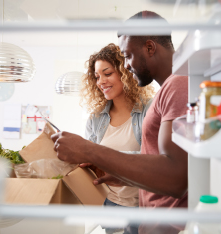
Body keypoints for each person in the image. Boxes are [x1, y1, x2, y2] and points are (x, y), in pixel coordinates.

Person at [51, 11, 188, 234]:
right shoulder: (170, 88)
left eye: (127, 56)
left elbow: (175, 178)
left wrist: (88, 150)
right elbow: (157, 162)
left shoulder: (178, 85)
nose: (126, 65)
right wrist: (121, 173)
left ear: (150, 48)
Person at [80, 43, 154, 234]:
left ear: (125, 72)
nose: (101, 81)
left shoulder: (148, 110)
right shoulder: (95, 119)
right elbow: (91, 164)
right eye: (97, 76)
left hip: (141, 208)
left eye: (107, 73)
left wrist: (106, 158)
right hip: (109, 205)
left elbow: (154, 159)